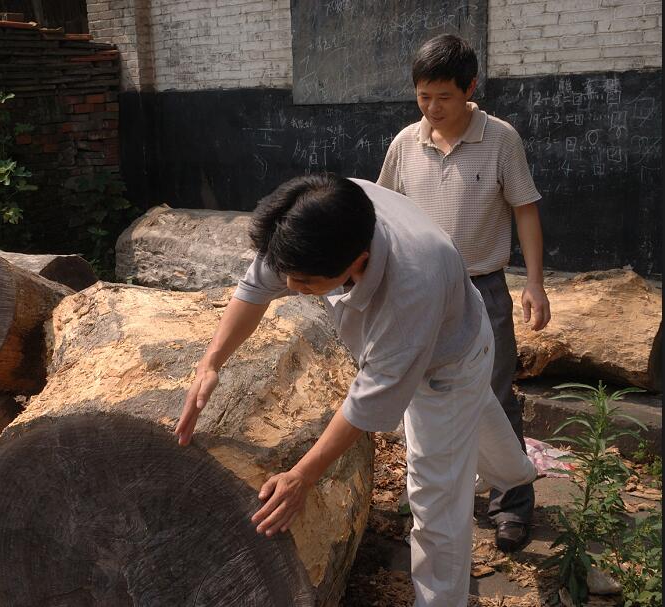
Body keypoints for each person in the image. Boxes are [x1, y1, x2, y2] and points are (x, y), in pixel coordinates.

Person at [174, 174, 537, 607]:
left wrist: (301, 477)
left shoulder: (411, 285)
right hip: (440, 335)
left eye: (306, 283)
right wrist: (210, 362)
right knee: (468, 429)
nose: (291, 288)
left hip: (448, 363)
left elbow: (366, 403)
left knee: (434, 502)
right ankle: (516, 473)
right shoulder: (313, 219)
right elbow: (254, 290)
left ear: (358, 262)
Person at [377, 34, 551, 553]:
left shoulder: (501, 139)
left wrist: (536, 285)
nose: (432, 109)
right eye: (423, 97)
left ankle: (511, 505)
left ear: (470, 88)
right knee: (423, 394)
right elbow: (383, 211)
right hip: (420, 290)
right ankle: (438, 496)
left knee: (494, 394)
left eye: (443, 97)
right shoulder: (406, 142)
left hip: (484, 288)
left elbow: (525, 209)